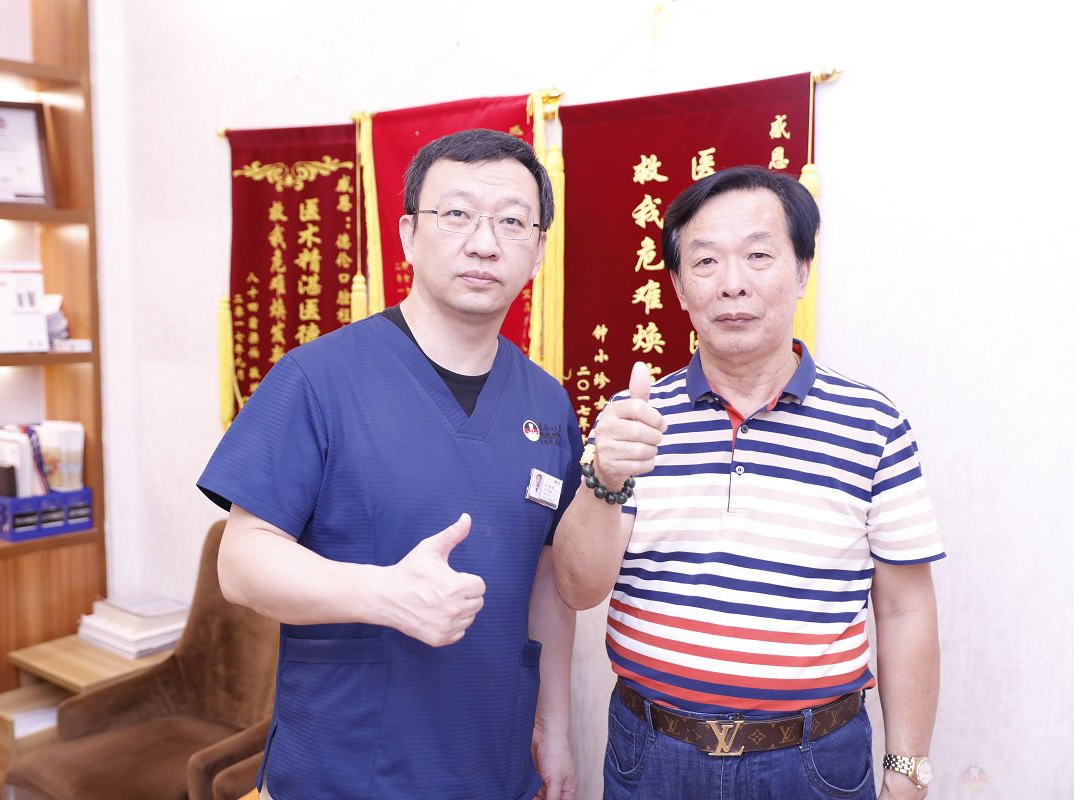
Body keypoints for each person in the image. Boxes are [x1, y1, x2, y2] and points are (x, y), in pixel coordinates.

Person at [198, 128, 582, 800]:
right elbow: (241, 562)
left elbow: (547, 578)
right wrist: (383, 594)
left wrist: (555, 727)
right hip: (344, 772)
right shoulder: (317, 379)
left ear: (538, 249)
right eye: (457, 214)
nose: (484, 243)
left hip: (495, 770)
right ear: (408, 234)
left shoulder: (547, 403)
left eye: (512, 221)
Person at [553, 166, 943, 800]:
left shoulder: (874, 424)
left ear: (802, 271)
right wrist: (605, 476)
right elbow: (577, 589)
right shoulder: (634, 419)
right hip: (653, 754)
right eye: (705, 261)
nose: (732, 283)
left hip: (814, 762)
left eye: (758, 256)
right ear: (679, 287)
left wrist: (908, 771)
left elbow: (906, 608)